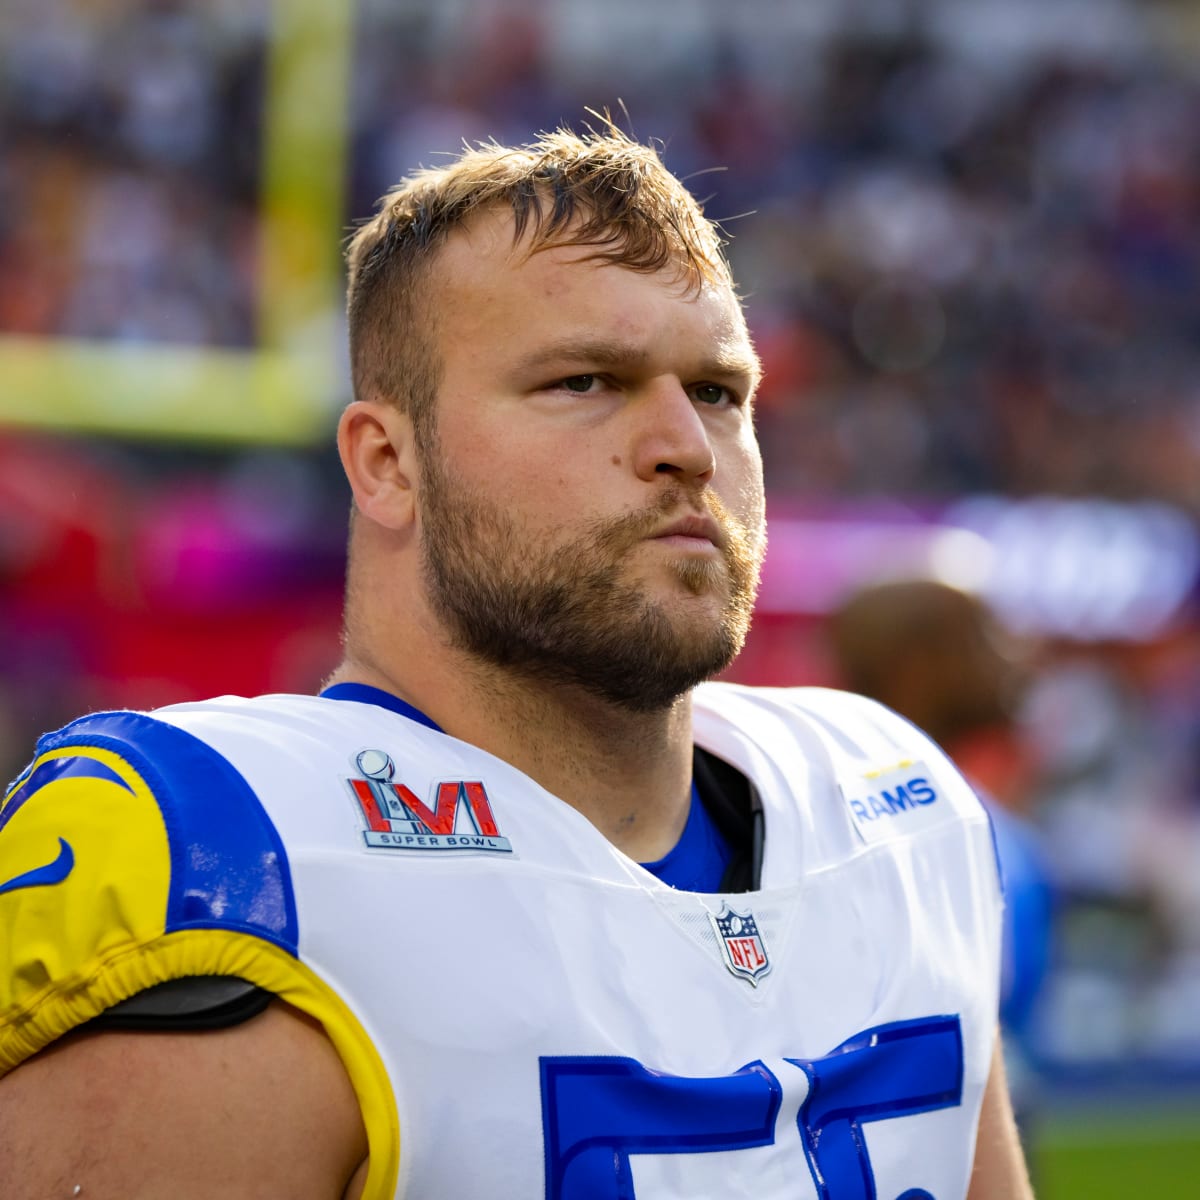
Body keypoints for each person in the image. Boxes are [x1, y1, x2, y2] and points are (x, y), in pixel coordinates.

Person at [0, 126, 1033, 1199]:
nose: (685, 444)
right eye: (587, 382)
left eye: (720, 391)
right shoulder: (251, 864)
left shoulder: (895, 809)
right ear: (388, 463)